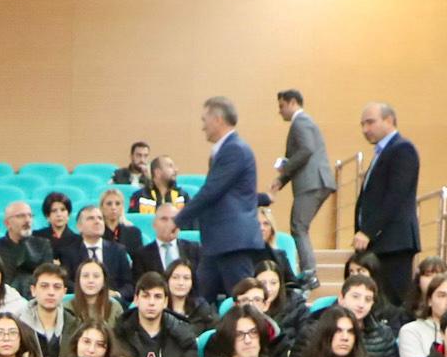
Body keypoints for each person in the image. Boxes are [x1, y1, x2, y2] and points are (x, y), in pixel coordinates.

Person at [180, 95, 265, 296]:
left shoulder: (233, 149)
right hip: (219, 242)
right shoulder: (228, 149)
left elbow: (212, 190)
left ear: (218, 119)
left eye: (204, 120)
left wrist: (178, 219)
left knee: (244, 302)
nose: (202, 126)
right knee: (199, 300)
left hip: (232, 242)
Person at [348, 101, 422, 306]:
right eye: (362, 124)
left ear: (389, 120)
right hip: (380, 243)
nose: (365, 129)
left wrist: (368, 231)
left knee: (393, 302)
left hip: (394, 243)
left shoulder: (402, 149)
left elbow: (395, 196)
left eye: (370, 122)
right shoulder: (383, 152)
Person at [269, 89, 337, 285]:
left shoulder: (301, 121)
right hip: (315, 181)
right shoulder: (303, 122)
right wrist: (281, 180)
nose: (280, 111)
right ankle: (309, 272)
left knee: (298, 226)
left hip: (312, 182)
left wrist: (285, 169)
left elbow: (306, 150)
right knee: (299, 226)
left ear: (292, 103)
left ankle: (309, 273)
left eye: (282, 106)